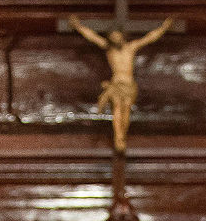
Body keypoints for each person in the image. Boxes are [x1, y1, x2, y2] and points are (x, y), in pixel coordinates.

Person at [68, 14, 172, 152]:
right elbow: (92, 36)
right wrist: (78, 26)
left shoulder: (131, 47)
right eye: (113, 37)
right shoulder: (109, 49)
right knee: (117, 108)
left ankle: (123, 136)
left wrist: (164, 27)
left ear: (122, 36)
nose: (115, 39)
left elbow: (150, 38)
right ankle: (118, 137)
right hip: (116, 84)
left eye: (117, 36)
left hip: (129, 84)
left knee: (126, 109)